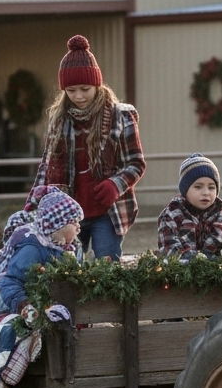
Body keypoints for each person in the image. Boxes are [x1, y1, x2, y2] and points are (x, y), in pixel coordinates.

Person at [28, 34, 145, 260]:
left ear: (96, 85)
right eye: (71, 91)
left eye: (85, 88)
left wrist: (115, 184)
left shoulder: (120, 116)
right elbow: (47, 166)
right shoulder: (59, 120)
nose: (79, 96)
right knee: (68, 266)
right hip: (68, 212)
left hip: (107, 211)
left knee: (106, 263)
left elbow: (136, 162)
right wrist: (32, 204)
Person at [0, 185, 83, 320]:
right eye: (74, 222)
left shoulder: (62, 249)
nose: (78, 226)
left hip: (33, 296)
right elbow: (9, 282)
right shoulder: (32, 249)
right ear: (58, 224)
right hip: (4, 298)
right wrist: (23, 305)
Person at [156, 153, 222, 259]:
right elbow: (170, 250)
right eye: (198, 187)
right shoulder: (171, 216)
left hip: (218, 272)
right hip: (182, 272)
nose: (206, 192)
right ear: (185, 190)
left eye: (211, 187)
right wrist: (200, 262)